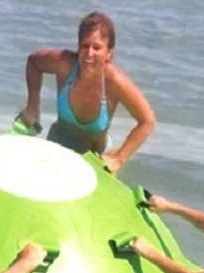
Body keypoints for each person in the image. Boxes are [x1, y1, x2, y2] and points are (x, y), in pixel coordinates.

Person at [15, 11, 155, 173]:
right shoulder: (65, 65)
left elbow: (147, 121)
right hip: (57, 148)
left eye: (97, 48)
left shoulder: (114, 82)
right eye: (85, 45)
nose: (89, 53)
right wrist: (32, 107)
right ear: (78, 46)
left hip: (95, 161)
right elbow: (34, 61)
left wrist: (119, 158)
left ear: (109, 52)